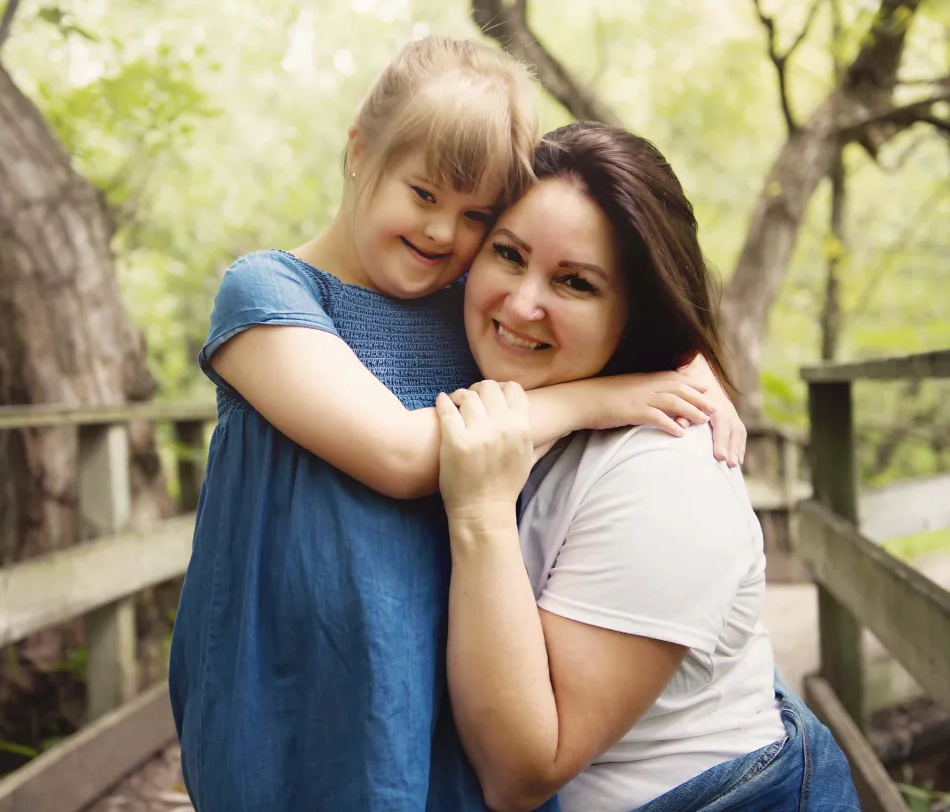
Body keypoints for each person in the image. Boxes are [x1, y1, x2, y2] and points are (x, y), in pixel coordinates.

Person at [168, 39, 741, 811]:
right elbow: (405, 456)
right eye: (424, 193)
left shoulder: (469, 302)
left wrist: (688, 368)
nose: (443, 233)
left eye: (476, 215)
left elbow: (592, 300)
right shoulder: (270, 295)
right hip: (290, 664)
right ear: (361, 149)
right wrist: (595, 401)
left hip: (424, 657)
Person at [431, 121, 860, 812]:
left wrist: (479, 512)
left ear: (636, 314)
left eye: (575, 282)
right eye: (508, 254)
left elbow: (521, 769)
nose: (521, 304)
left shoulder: (667, 475)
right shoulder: (532, 392)